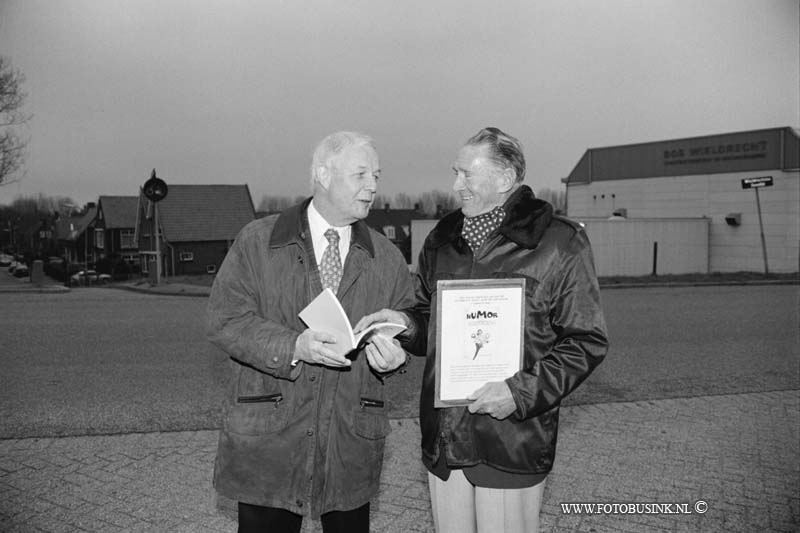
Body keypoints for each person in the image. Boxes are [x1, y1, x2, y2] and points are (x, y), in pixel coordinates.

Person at [355, 127, 609, 533]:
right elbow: (427, 323)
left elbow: (586, 341)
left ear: (505, 179)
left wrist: (518, 392)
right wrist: (403, 324)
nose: (456, 185)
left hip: (511, 439)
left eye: (466, 174)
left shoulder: (560, 243)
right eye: (455, 173)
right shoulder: (442, 239)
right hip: (446, 441)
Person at [206, 131, 414, 533]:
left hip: (349, 442)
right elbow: (224, 320)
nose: (372, 185)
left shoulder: (387, 258)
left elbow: (404, 327)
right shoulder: (257, 241)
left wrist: (395, 358)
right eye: (360, 174)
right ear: (323, 174)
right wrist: (293, 345)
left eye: (376, 175)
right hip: (271, 442)